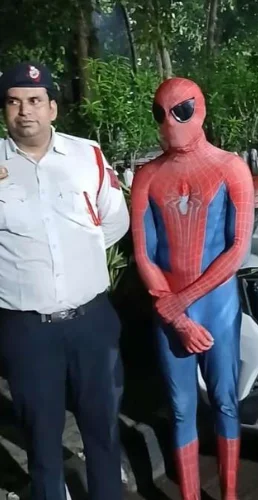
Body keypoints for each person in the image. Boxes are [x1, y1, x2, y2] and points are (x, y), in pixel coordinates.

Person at [0, 62, 130, 500]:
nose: (25, 112)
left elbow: (114, 221)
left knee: (104, 432)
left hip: (92, 323)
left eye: (35, 101)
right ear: (4, 112)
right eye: (14, 102)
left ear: (53, 108)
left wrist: (80, 266)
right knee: (41, 440)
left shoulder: (86, 156)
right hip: (26, 331)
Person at [130, 77, 254, 500]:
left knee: (225, 401)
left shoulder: (230, 167)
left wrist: (177, 307)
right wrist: (176, 316)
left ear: (199, 111)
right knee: (182, 408)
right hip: (171, 310)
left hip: (211, 307)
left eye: (180, 110)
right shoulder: (147, 176)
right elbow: (143, 253)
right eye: (161, 113)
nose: (170, 123)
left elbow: (238, 247)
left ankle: (230, 494)